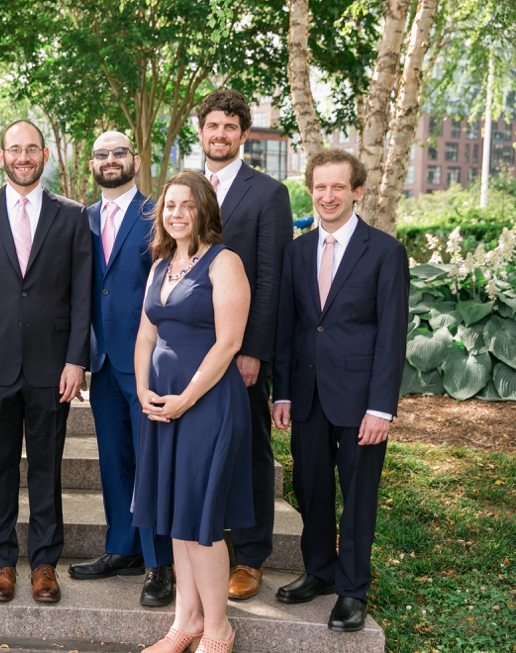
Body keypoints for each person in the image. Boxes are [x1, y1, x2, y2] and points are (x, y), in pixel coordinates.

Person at [272, 150, 409, 633]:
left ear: (357, 191)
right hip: (307, 395)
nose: (327, 196)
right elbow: (288, 328)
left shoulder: (385, 252)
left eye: (337, 187)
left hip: (360, 401)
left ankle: (352, 589)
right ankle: (319, 571)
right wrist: (283, 393)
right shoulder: (296, 251)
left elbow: (392, 336)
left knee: (357, 496)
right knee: (311, 488)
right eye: (319, 187)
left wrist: (381, 408)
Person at [0, 119, 92, 603]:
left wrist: (77, 360)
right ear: (1, 155)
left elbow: (82, 296)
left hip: (52, 367)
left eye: (31, 149)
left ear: (45, 155)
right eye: (14, 149)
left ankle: (44, 564)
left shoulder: (73, 216)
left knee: (47, 470)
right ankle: (0, 564)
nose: (23, 157)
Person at [131, 171, 253, 653]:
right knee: (176, 517)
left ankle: (219, 627)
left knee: (200, 520)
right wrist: (142, 389)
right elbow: (145, 334)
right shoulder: (160, 264)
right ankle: (186, 621)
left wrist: (186, 398)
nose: (176, 213)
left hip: (207, 404)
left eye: (186, 205)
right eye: (169, 205)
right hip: (160, 402)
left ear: (204, 210)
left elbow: (229, 343)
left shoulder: (225, 263)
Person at [67, 131, 174, 607]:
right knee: (113, 460)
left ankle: (159, 564)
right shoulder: (82, 218)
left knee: (151, 462)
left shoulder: (159, 214)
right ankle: (122, 548)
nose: (110, 160)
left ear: (135, 159)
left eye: (118, 153)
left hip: (150, 362)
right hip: (104, 362)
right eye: (101, 154)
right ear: (91, 163)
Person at [196, 89, 294, 600]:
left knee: (251, 452)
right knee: (205, 452)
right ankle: (206, 547)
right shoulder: (187, 189)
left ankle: (251, 557)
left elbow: (272, 278)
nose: (220, 134)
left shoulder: (268, 193)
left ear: (243, 134)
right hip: (192, 351)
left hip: (241, 357)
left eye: (230, 127)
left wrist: (254, 349)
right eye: (213, 125)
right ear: (201, 131)